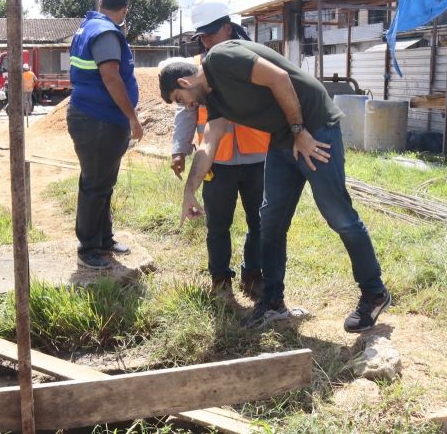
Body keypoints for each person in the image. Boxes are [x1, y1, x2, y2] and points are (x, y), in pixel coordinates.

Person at [158, 40, 390, 332]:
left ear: (184, 81)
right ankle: (272, 302)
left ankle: (374, 292)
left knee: (337, 214)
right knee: (270, 221)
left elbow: (278, 78)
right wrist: (190, 190)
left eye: (181, 98)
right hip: (283, 138)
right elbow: (209, 142)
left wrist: (300, 132)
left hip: (315, 128)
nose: (188, 106)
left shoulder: (221, 58)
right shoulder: (216, 100)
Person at [170, 0, 269, 299]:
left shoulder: (253, 59)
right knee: (218, 225)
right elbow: (186, 111)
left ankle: (253, 275)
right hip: (216, 160)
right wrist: (180, 148)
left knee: (260, 222)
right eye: (202, 37)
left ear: (227, 29)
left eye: (211, 34)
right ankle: (220, 280)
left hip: (258, 156)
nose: (206, 41)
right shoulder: (199, 68)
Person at [67, 0, 142, 270]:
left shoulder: (87, 27)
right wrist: (132, 117)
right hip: (98, 119)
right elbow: (111, 78)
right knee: (96, 184)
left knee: (102, 183)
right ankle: (88, 249)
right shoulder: (107, 33)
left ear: (101, 2)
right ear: (124, 9)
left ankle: (103, 240)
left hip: (94, 116)